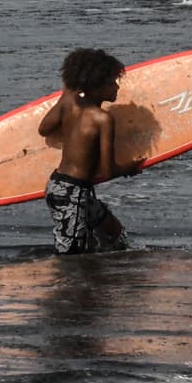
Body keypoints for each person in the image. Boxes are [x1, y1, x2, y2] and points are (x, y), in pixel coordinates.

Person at [37, 48, 143, 255]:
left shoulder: (67, 102)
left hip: (61, 186)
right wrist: (130, 168)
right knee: (71, 257)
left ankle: (104, 275)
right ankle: (69, 285)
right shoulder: (102, 119)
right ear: (95, 85)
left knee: (114, 233)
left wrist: (68, 95)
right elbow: (108, 169)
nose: (116, 86)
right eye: (111, 82)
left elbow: (44, 129)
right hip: (73, 193)